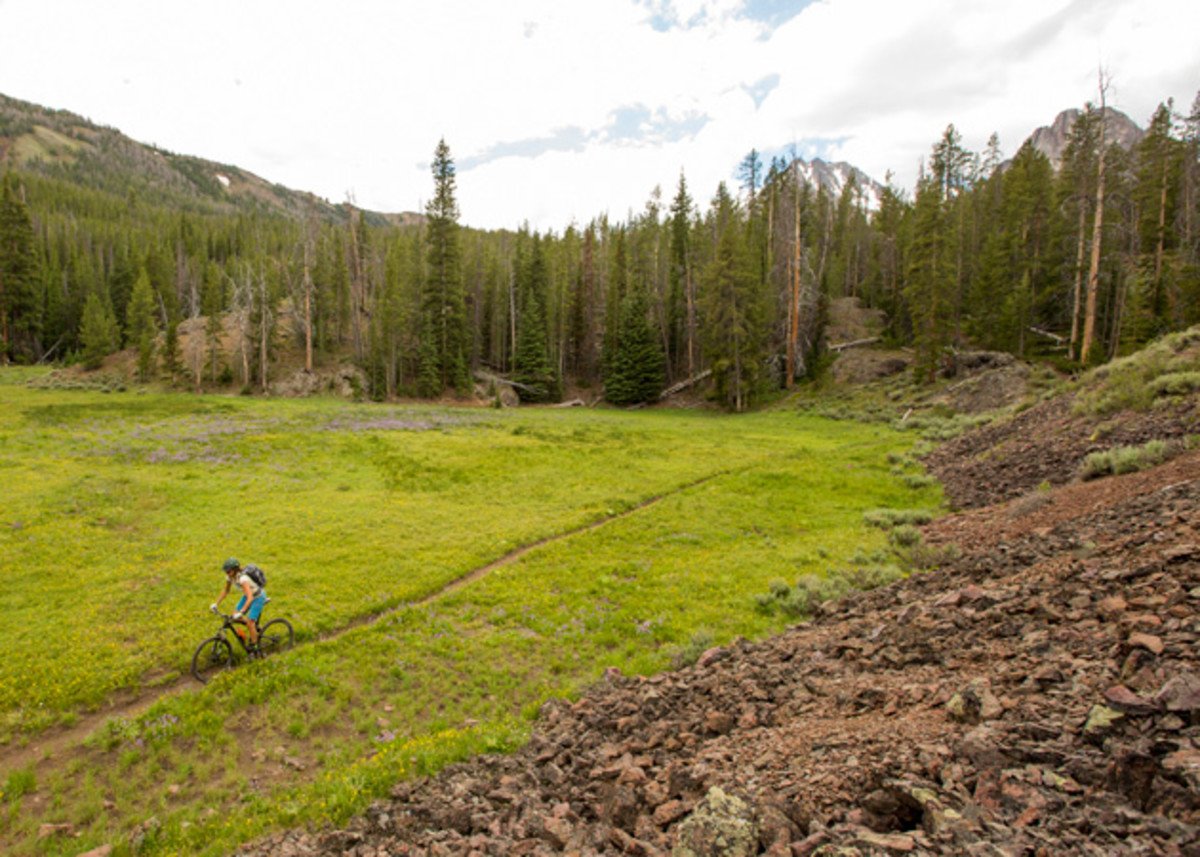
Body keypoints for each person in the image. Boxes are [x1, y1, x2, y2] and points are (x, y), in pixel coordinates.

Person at [212, 558, 266, 652]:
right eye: (226, 571)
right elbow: (226, 590)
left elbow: (250, 598)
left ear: (235, 570)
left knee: (250, 622)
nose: (226, 573)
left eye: (228, 571)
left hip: (258, 597)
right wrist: (216, 604)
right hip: (248, 594)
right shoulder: (229, 577)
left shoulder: (243, 579)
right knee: (234, 617)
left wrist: (241, 612)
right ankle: (253, 629)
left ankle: (256, 649)